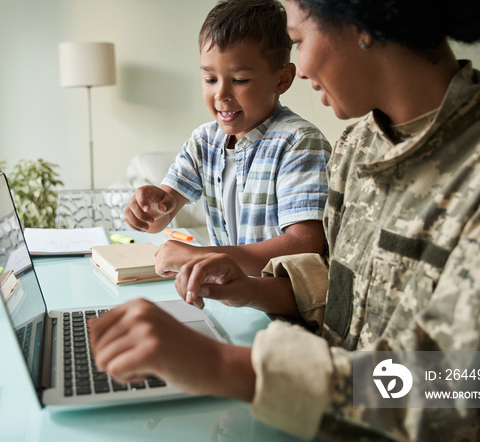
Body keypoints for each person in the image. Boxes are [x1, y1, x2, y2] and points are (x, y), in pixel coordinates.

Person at [90, 0, 480, 442]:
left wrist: (222, 365)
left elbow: (466, 380)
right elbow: (346, 303)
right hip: (342, 439)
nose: (301, 69)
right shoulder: (358, 146)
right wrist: (250, 287)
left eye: (300, 40)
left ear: (362, 24)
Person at [124, 0, 331, 277]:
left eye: (240, 80)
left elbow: (304, 244)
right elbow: (161, 218)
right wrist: (149, 210)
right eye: (210, 79)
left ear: (282, 80)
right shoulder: (204, 142)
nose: (221, 94)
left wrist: (205, 256)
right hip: (229, 295)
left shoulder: (298, 143)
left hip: (281, 305)